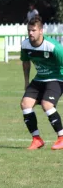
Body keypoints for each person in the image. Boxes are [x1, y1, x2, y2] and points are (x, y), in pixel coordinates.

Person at [20, 15, 63, 150]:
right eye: (29, 30)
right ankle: (37, 139)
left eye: (33, 30)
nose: (30, 33)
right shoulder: (25, 44)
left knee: (47, 104)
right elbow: (26, 63)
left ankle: (61, 137)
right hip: (39, 79)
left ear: (41, 31)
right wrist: (26, 81)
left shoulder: (53, 47)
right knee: (25, 104)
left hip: (56, 78)